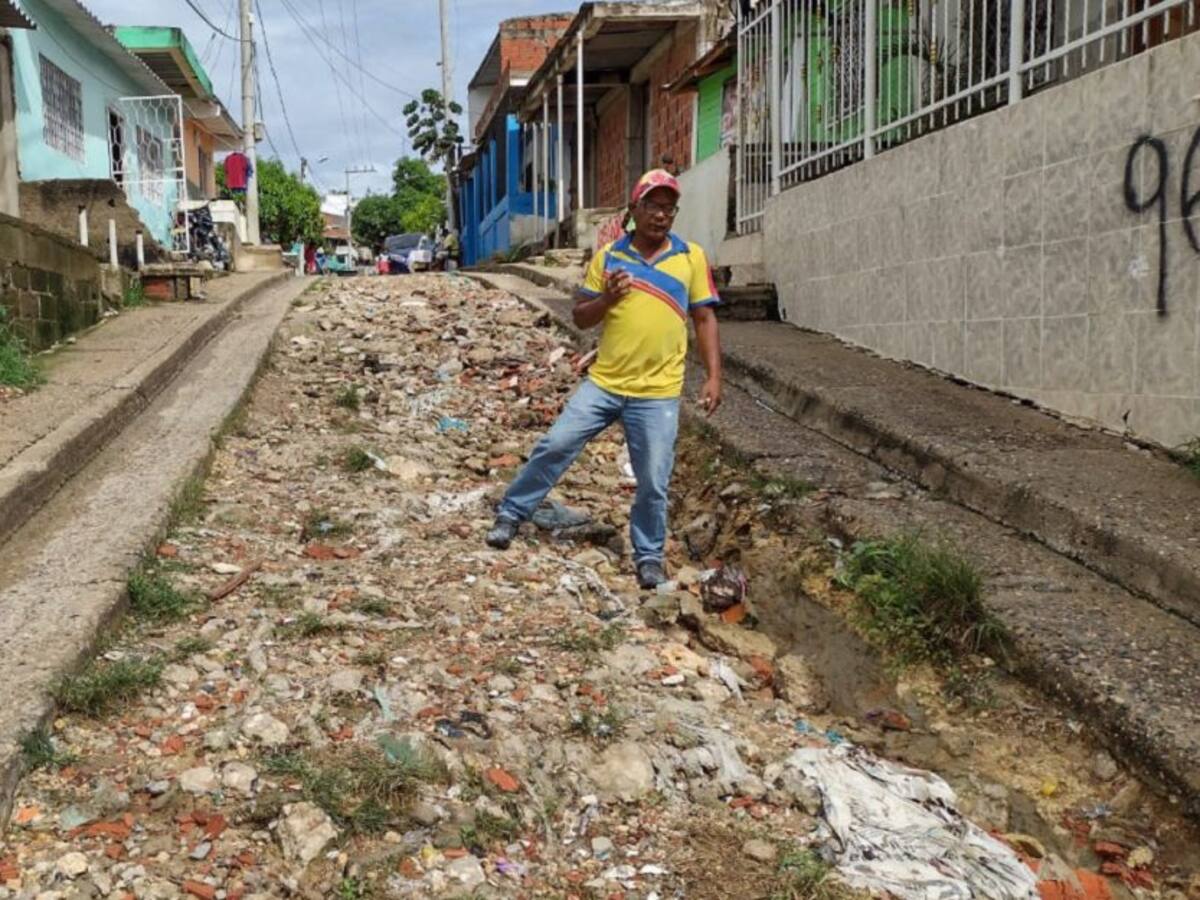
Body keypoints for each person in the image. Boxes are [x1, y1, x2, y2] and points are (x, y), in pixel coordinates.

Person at [485, 169, 723, 589]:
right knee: (555, 445)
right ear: (635, 209)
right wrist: (609, 297)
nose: (662, 215)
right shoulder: (609, 257)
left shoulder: (691, 258)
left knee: (653, 479)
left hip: (658, 393)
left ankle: (649, 556)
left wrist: (713, 378)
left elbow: (704, 318)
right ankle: (511, 514)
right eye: (654, 206)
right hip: (605, 384)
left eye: (669, 208)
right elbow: (580, 315)